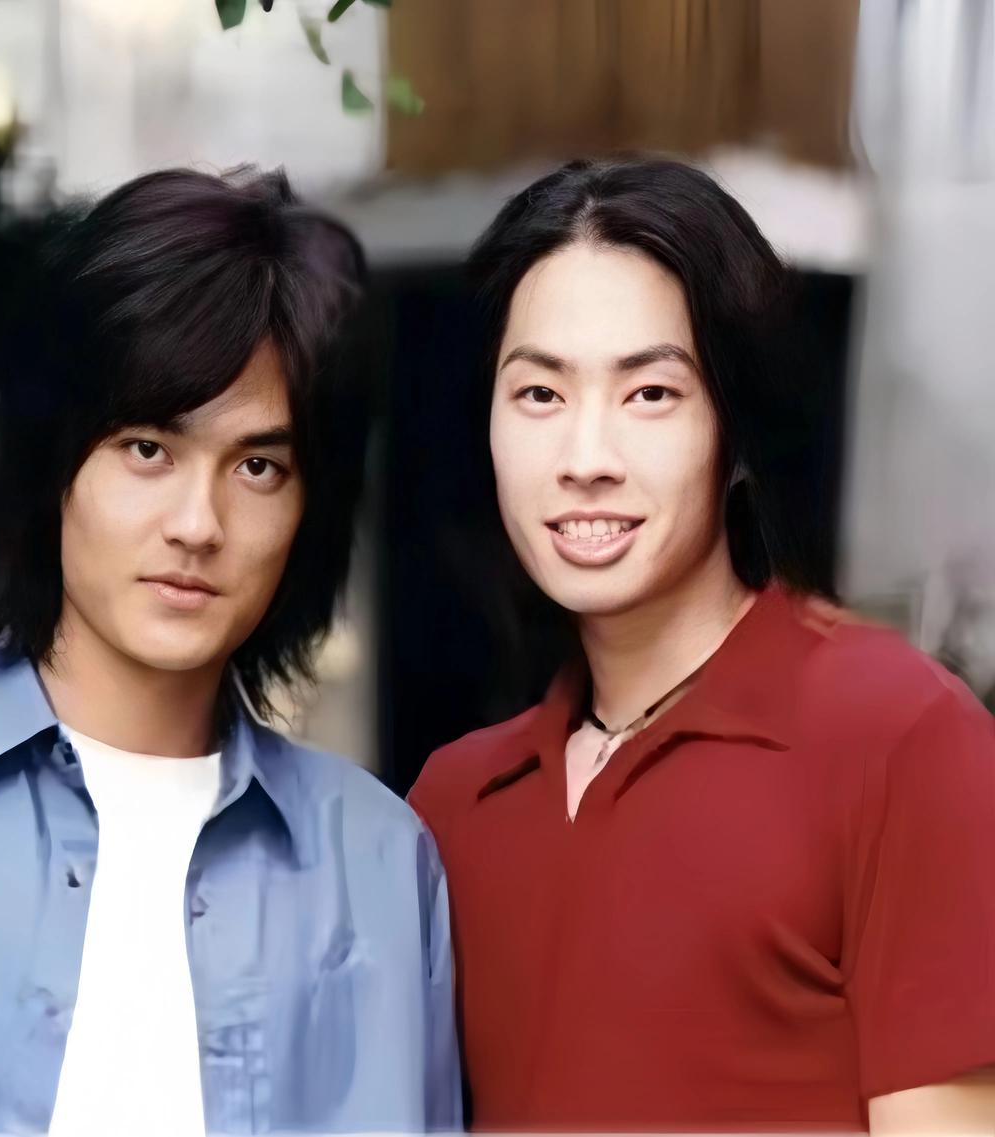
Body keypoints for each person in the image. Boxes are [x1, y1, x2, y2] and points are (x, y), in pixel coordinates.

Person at [0, 167, 460, 1134]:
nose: (198, 523)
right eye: (148, 448)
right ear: (53, 455)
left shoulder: (381, 861)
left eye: (257, 465)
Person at [407, 156, 995, 1132]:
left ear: (735, 435)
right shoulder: (451, 805)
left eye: (649, 394)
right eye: (539, 394)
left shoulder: (899, 738)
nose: (585, 459)